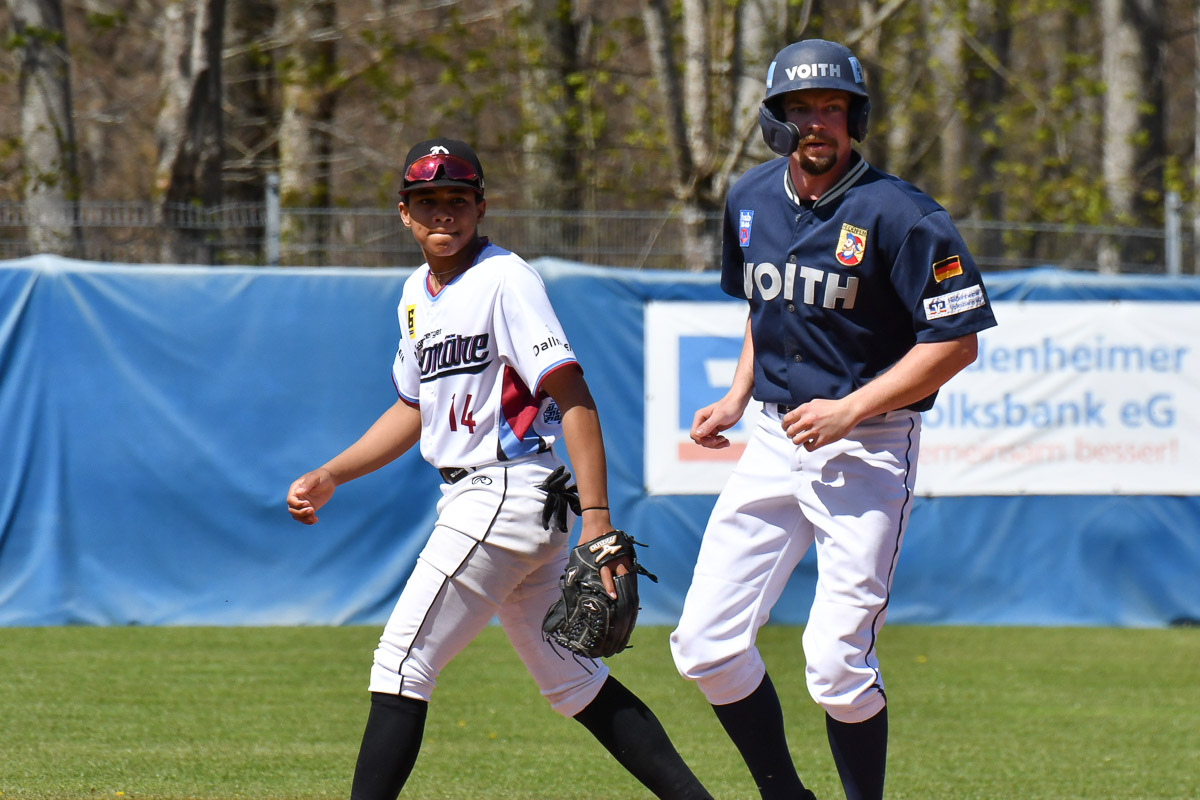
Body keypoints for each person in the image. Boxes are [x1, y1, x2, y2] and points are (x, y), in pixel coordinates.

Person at [286, 137, 712, 800]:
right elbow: (412, 409)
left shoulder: (506, 278)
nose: (443, 213)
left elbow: (572, 394)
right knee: (573, 682)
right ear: (403, 212)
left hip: (504, 490)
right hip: (503, 502)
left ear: (481, 207)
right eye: (427, 200)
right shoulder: (414, 296)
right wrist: (333, 473)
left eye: (458, 199)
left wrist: (598, 520)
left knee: (401, 664)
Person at [669, 40, 998, 800]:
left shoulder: (903, 215)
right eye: (802, 108)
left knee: (835, 667)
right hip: (772, 436)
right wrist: (736, 395)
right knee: (705, 646)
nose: (818, 122)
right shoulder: (750, 198)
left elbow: (956, 344)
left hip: (869, 444)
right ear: (774, 119)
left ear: (856, 119)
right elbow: (767, 306)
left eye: (833, 107)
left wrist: (852, 408)